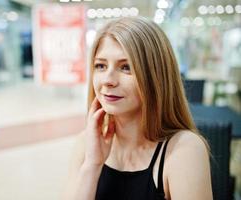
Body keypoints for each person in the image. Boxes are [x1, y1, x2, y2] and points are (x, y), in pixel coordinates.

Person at [62, 17, 213, 200]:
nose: (108, 80)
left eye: (126, 67)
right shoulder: (86, 143)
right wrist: (92, 165)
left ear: (156, 76)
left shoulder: (183, 150)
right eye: (100, 66)